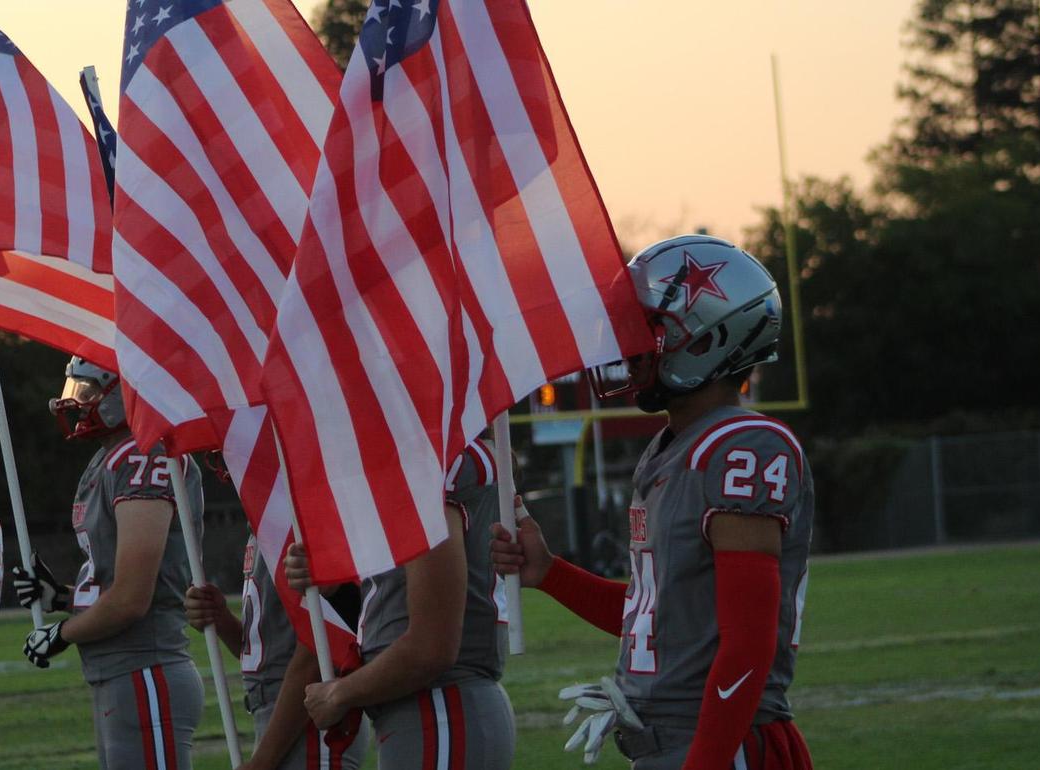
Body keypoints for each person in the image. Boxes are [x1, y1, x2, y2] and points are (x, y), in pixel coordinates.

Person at [492, 235, 814, 770]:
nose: (626, 350)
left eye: (645, 333)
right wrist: (549, 573)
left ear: (708, 336)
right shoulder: (671, 448)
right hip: (673, 740)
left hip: (719, 741)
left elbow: (748, 646)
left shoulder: (742, 447)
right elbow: (659, 618)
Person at [12, 357, 204, 770]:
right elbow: (114, 582)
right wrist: (63, 596)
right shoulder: (111, 458)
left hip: (145, 667)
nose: (75, 403)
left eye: (87, 391)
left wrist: (63, 633)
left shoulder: (142, 455)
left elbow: (133, 598)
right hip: (121, 671)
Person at [282, 440, 516, 770]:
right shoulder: (427, 455)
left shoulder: (431, 461)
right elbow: (390, 611)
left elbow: (431, 647)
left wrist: (340, 694)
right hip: (432, 711)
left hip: (438, 708)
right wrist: (335, 577)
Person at [184, 532, 368, 770]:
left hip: (308, 722)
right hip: (280, 720)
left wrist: (263, 761)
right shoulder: (259, 529)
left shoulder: (288, 520)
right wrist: (221, 620)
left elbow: (317, 652)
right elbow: (268, 654)